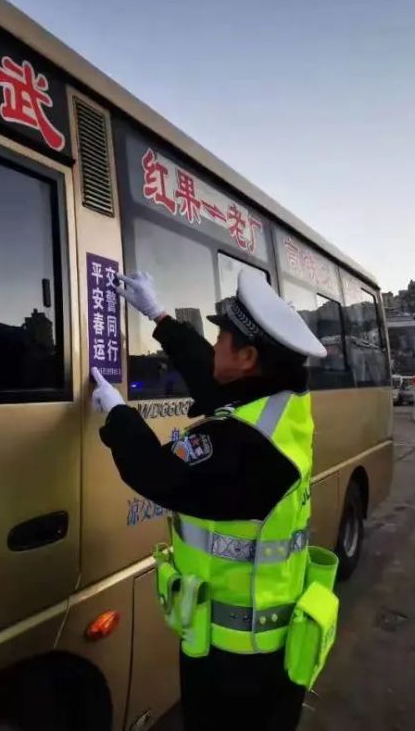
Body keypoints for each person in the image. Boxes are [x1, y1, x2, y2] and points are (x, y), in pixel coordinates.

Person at [91, 269, 327, 731]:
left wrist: (119, 415)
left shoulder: (245, 442)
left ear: (248, 356)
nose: (214, 343)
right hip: (271, 644)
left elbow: (158, 475)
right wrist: (158, 317)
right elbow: (215, 378)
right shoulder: (280, 401)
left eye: (222, 336)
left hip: (237, 661)